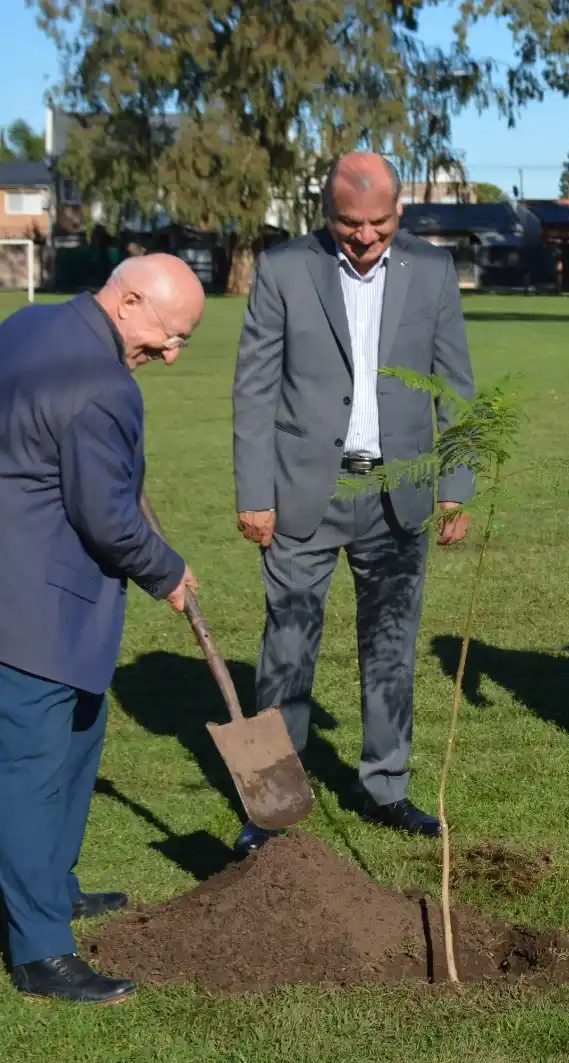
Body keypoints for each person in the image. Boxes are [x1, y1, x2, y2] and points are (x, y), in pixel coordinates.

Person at [231, 152, 476, 854]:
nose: (364, 237)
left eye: (378, 223)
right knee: (286, 648)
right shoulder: (283, 269)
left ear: (399, 212)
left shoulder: (431, 272)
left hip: (397, 496)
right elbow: (253, 389)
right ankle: (269, 806)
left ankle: (386, 790)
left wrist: (455, 485)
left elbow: (454, 386)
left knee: (392, 646)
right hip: (301, 493)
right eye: (348, 223)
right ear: (325, 211)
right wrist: (254, 493)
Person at [0, 254, 204, 1004]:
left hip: (34, 588)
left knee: (78, 739)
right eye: (168, 333)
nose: (171, 353)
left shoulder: (29, 324)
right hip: (33, 603)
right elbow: (108, 519)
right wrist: (168, 570)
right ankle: (40, 954)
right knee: (28, 773)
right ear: (126, 301)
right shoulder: (104, 383)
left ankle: (48, 889)